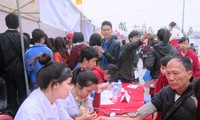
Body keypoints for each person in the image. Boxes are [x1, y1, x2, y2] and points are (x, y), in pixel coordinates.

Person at [96, 56, 196, 120]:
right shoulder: (166, 92)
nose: (170, 78)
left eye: (175, 73)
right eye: (168, 73)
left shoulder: (197, 94)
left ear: (189, 74)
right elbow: (138, 115)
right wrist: (109, 118)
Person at [15, 53, 72, 120]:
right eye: (69, 83)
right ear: (55, 85)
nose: (71, 87)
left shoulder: (55, 99)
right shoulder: (30, 111)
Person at [0, 13, 29, 115]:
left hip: (6, 72)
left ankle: (14, 114)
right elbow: (26, 57)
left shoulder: (1, 38)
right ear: (18, 24)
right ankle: (23, 115)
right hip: (21, 72)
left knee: (11, 96)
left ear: (6, 23)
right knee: (22, 95)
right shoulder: (23, 38)